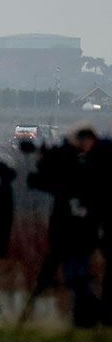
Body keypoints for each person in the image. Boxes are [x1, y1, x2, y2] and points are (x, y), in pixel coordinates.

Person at [27, 127, 108, 327]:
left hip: (76, 232)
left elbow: (46, 179)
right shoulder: (87, 167)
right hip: (80, 232)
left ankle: (90, 316)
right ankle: (89, 317)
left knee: (77, 276)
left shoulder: (83, 169)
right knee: (77, 276)